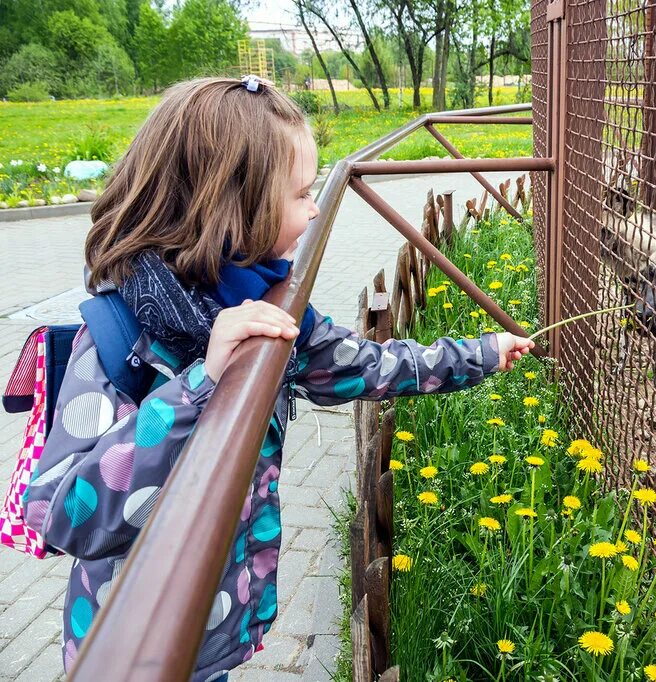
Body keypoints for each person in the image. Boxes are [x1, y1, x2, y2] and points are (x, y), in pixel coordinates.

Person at [24, 76, 534, 681]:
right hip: (135, 647)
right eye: (300, 194)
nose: (317, 209)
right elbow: (60, 515)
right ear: (229, 205)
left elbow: (365, 365)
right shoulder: (117, 336)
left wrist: (480, 353)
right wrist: (202, 384)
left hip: (213, 633)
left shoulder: (263, 296)